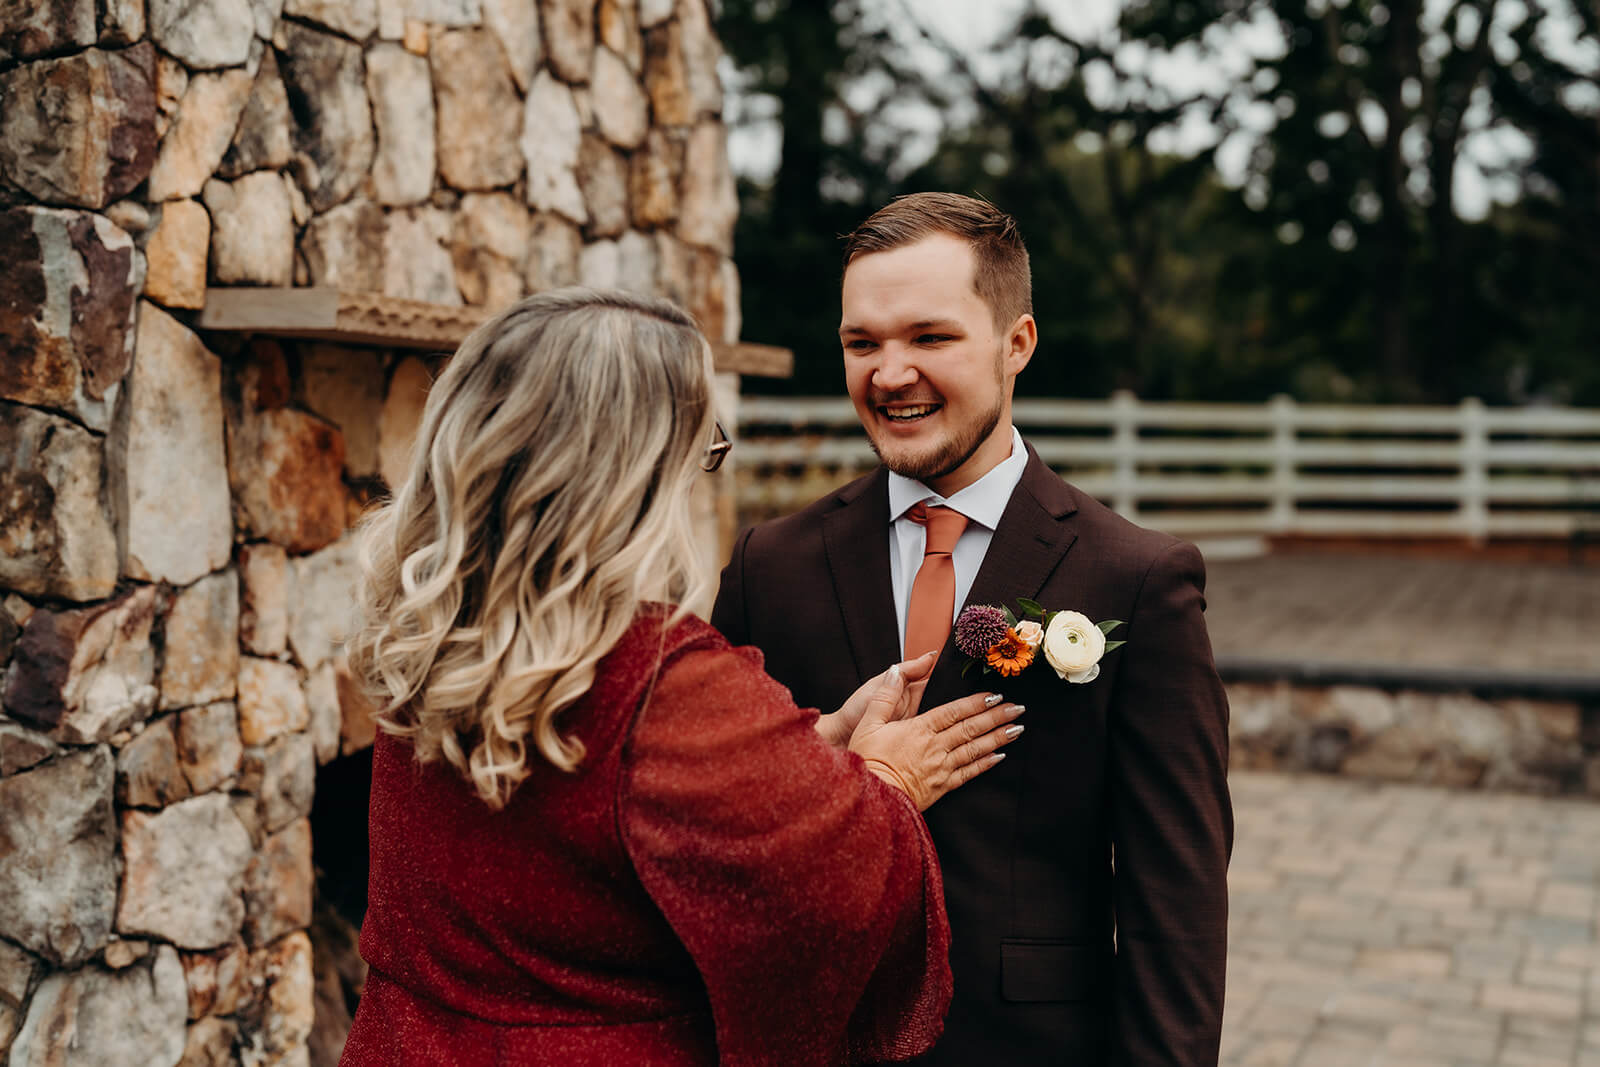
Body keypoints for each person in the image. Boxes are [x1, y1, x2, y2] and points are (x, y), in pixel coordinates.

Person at [338, 288, 1025, 1066]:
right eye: (701, 452)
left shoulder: (429, 631)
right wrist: (886, 780)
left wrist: (817, 748)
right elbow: (825, 891)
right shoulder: (658, 678)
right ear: (634, 473)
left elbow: (597, 807)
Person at [712, 193, 1233, 1064]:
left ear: (1016, 343)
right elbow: (716, 824)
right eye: (862, 343)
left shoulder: (1136, 579)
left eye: (929, 337)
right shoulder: (772, 565)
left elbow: (1173, 902)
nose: (888, 374)